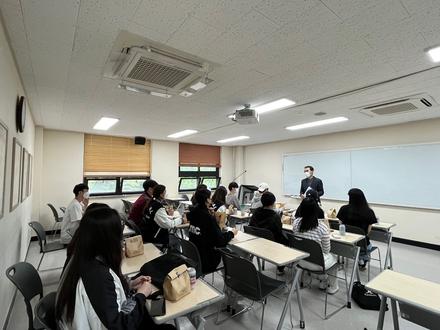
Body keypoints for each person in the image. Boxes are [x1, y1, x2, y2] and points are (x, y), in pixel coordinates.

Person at [55, 206, 175, 330]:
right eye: (120, 237)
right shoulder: (98, 276)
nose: (122, 242)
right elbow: (121, 325)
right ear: (109, 240)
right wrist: (141, 295)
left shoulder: (81, 258)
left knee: (154, 312)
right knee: (165, 324)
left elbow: (104, 300)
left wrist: (129, 284)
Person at [292, 197, 339, 294]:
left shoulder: (296, 223)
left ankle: (323, 280)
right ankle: (333, 286)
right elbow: (326, 250)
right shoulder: (322, 227)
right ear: (316, 210)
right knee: (334, 258)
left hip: (299, 260)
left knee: (319, 256)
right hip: (317, 265)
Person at [187, 188, 237, 274]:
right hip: (207, 259)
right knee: (233, 257)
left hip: (193, 255)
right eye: (210, 198)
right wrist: (231, 233)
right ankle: (229, 284)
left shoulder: (193, 212)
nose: (211, 199)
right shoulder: (208, 218)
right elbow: (220, 241)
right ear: (207, 200)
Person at [336, 188, 378, 269]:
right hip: (362, 245)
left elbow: (340, 225)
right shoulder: (369, 211)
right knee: (366, 243)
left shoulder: (344, 209)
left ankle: (345, 259)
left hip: (345, 243)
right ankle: (362, 260)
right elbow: (368, 232)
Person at [249, 192, 288, 275]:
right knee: (287, 240)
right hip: (271, 246)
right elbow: (279, 233)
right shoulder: (275, 216)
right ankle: (280, 268)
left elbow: (250, 226)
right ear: (273, 203)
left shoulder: (256, 212)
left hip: (255, 244)